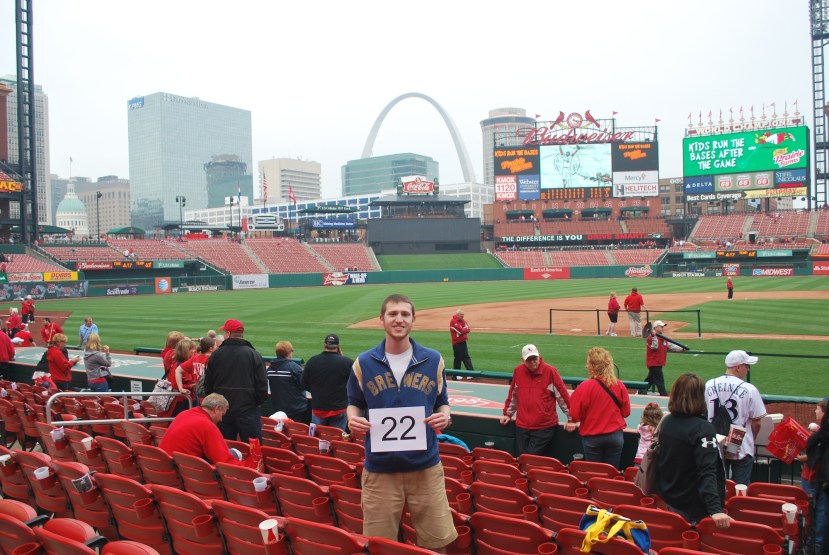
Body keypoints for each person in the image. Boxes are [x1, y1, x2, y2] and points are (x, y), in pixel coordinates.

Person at [346, 294, 457, 551]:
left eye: (405, 314)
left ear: (413, 320)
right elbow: (354, 402)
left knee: (436, 543)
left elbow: (442, 402)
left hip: (426, 467)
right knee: (381, 546)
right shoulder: (363, 362)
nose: (399, 319)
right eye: (393, 314)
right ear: (381, 319)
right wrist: (352, 420)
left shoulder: (433, 360)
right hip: (379, 470)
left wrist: (446, 416)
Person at [656, 373, 732, 527]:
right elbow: (707, 470)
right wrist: (715, 509)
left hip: (669, 498)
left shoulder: (667, 421)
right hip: (692, 508)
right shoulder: (703, 428)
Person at [704, 350, 767, 485]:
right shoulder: (749, 389)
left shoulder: (709, 384)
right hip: (740, 441)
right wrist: (750, 439)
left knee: (718, 485)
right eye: (746, 366)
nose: (748, 369)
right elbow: (757, 422)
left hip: (715, 440)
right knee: (740, 488)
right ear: (738, 367)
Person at [499, 344, 572, 456]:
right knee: (523, 457)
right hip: (522, 426)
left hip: (544, 427)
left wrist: (571, 418)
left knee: (530, 458)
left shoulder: (550, 371)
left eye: (535, 358)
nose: (532, 362)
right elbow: (513, 394)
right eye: (529, 360)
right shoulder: (518, 371)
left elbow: (563, 396)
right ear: (523, 360)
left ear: (539, 356)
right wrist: (507, 414)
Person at [565, 347, 631, 469]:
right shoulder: (619, 385)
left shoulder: (585, 387)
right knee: (611, 473)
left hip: (592, 438)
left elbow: (575, 414)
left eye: (588, 363)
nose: (586, 366)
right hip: (615, 437)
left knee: (595, 473)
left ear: (593, 366)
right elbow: (626, 412)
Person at [204, 319, 268, 442]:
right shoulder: (254, 354)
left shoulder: (216, 355)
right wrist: (255, 402)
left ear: (228, 333)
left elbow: (208, 385)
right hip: (248, 411)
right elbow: (262, 385)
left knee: (225, 446)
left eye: (224, 332)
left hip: (223, 412)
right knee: (253, 447)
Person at [158, 393, 249, 466]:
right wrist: (250, 466)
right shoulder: (208, 426)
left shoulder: (184, 414)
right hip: (182, 472)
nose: (221, 419)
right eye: (222, 414)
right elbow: (225, 461)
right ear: (216, 409)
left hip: (165, 465)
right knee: (234, 454)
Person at [301, 333, 353, 430]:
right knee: (336, 437)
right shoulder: (347, 362)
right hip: (339, 409)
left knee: (318, 437)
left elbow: (303, 383)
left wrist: (316, 392)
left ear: (324, 345)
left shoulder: (312, 361)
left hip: (318, 408)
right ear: (338, 346)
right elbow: (354, 385)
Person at [798, 398, 828, 554]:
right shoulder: (821, 432)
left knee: (809, 513)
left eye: (818, 409)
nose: (815, 411)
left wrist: (805, 457)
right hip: (821, 479)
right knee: (821, 512)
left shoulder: (822, 434)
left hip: (813, 478)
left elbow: (816, 456)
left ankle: (809, 545)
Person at [267, 340, 310, 424]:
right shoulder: (294, 368)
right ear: (289, 353)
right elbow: (305, 385)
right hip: (296, 410)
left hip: (278, 410)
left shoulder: (270, 369)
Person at [643, 320, 686, 396]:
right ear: (655, 328)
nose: (663, 328)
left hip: (659, 363)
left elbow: (671, 346)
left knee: (650, 379)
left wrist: (682, 348)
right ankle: (663, 394)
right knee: (659, 380)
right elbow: (655, 347)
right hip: (654, 363)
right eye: (661, 326)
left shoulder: (663, 338)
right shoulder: (651, 338)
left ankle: (641, 390)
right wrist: (653, 336)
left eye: (663, 327)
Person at [175, 335, 218, 404]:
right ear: (211, 349)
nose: (217, 347)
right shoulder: (214, 360)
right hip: (212, 399)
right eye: (215, 346)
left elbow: (178, 370)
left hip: (201, 396)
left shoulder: (195, 358)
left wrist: (181, 388)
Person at [167, 338, 196, 416]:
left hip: (190, 397)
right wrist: (190, 386)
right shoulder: (177, 365)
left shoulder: (189, 363)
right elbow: (174, 385)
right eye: (191, 349)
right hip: (181, 400)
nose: (193, 351)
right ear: (185, 351)